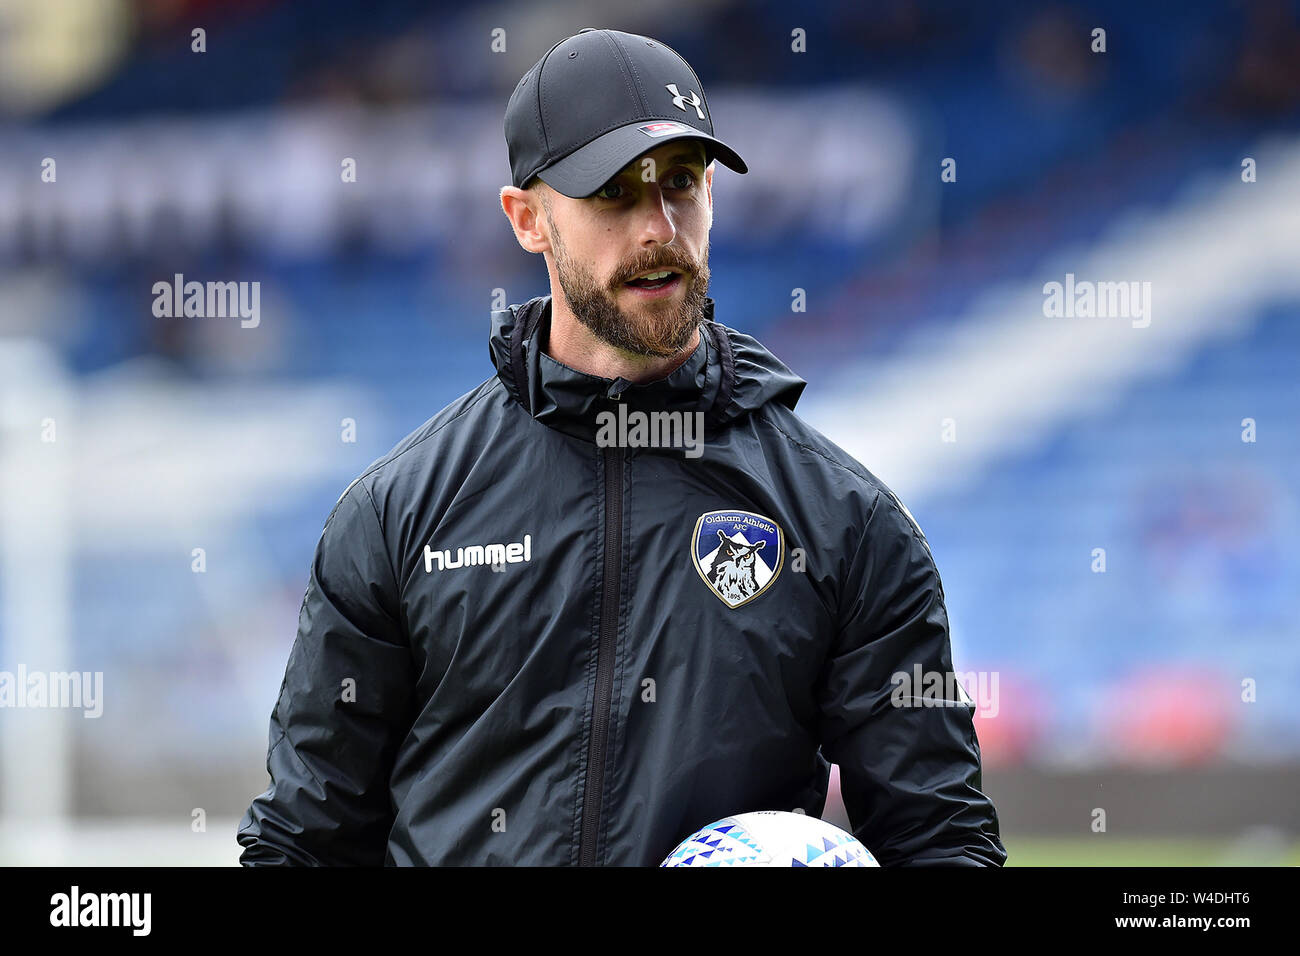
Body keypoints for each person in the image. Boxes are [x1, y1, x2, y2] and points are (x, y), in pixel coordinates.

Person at [237, 27, 1006, 867]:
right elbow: (303, 843)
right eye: (613, 193)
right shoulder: (398, 515)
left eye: (682, 183)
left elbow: (941, 838)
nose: (658, 228)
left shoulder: (846, 522)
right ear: (527, 219)